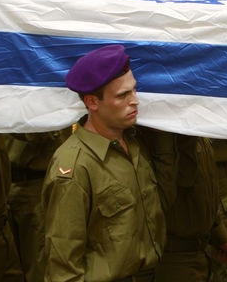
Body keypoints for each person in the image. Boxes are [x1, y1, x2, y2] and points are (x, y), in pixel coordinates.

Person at [41, 45, 166, 280]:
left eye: (134, 91)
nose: (135, 101)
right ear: (93, 102)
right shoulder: (75, 166)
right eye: (122, 95)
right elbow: (63, 267)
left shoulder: (134, 144)